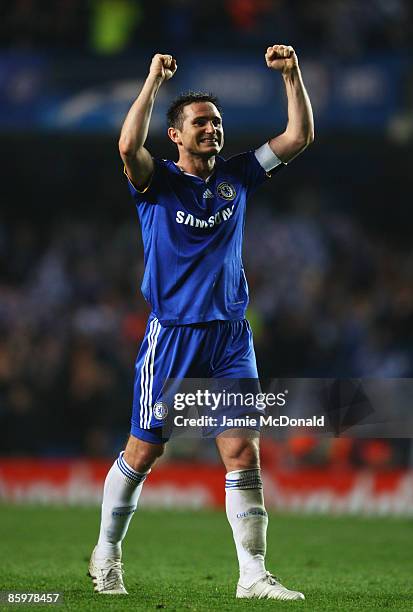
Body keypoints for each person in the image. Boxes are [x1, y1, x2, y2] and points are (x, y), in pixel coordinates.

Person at [89, 45, 314, 601]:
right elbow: (125, 144)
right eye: (200, 122)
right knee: (144, 451)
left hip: (232, 339)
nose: (212, 128)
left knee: (243, 452)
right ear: (176, 135)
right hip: (173, 336)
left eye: (216, 121)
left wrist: (292, 75)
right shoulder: (156, 183)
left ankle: (253, 575)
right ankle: (107, 553)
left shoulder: (239, 175)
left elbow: (297, 137)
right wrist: (151, 82)